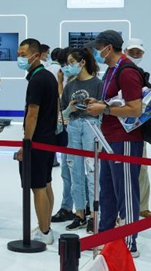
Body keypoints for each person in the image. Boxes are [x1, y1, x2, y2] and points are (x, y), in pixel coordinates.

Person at [85, 30, 145, 257]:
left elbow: (135, 108)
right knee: (107, 188)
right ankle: (106, 235)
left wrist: (105, 108)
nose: (95, 52)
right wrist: (100, 103)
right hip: (109, 137)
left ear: (108, 48)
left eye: (97, 48)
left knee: (126, 190)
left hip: (126, 139)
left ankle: (130, 242)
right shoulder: (112, 70)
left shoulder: (127, 71)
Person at [16, 38, 59, 245]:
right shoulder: (48, 77)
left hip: (38, 140)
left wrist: (26, 142)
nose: (20, 58)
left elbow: (32, 114)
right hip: (48, 138)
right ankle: (46, 226)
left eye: (23, 54)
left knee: (37, 187)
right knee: (46, 183)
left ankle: (44, 232)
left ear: (35, 55)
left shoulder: (37, 80)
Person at [60, 48, 103, 233]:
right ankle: (79, 213)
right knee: (74, 171)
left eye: (71, 62)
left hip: (92, 126)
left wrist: (94, 106)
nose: (68, 66)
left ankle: (95, 215)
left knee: (93, 170)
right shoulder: (69, 86)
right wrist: (70, 108)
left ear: (82, 62)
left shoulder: (98, 83)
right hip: (74, 126)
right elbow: (62, 114)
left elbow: (104, 108)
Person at [121, 38, 151, 218]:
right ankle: (124, 208)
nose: (135, 55)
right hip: (119, 129)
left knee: (142, 168)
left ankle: (142, 206)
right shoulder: (118, 72)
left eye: (138, 52)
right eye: (132, 51)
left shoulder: (141, 74)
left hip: (137, 127)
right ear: (125, 51)